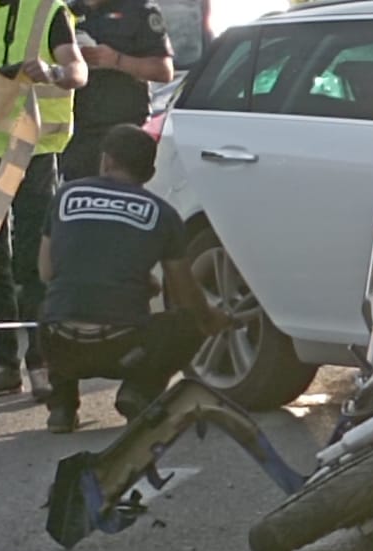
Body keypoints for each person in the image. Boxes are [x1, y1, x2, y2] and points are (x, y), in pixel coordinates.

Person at [37, 124, 230, 433]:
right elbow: (185, 296)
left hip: (59, 344)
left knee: (54, 304)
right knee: (188, 322)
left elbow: (46, 272)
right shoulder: (163, 214)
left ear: (106, 160)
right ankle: (139, 392)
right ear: (150, 172)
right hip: (124, 350)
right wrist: (211, 318)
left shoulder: (65, 196)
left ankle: (62, 405)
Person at [0, 0, 89, 400]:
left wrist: (53, 72)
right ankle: (4, 364)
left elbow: (78, 70)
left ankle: (41, 363)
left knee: (31, 261)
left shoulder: (47, 10)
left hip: (28, 151)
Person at [60, 0, 174, 181]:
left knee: (117, 191)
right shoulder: (67, 10)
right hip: (77, 130)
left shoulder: (139, 10)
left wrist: (116, 60)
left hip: (121, 130)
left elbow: (163, 70)